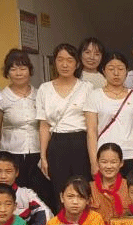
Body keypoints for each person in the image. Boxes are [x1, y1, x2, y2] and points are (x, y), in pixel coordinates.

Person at [36, 42, 94, 203]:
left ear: (77, 63)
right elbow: (44, 126)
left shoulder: (87, 87)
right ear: (54, 62)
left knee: (83, 189)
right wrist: (43, 156)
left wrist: (93, 159)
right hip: (56, 144)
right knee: (60, 190)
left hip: (81, 142)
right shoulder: (44, 89)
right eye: (60, 59)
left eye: (69, 60)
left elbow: (92, 126)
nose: (65, 64)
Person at [0, 49, 48, 206]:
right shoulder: (1, 97)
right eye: (13, 69)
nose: (18, 73)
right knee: (14, 198)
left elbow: (46, 125)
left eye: (22, 68)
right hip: (12, 154)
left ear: (29, 70)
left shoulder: (40, 94)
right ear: (7, 72)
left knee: (41, 195)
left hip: (38, 154)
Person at [87, 52, 133, 176]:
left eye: (120, 69)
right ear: (103, 71)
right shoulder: (94, 95)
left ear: (127, 71)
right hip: (106, 156)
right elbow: (91, 131)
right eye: (111, 69)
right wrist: (94, 162)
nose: (116, 73)